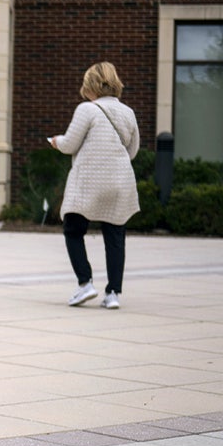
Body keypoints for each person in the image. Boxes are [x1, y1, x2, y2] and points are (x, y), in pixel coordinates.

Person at [49, 62, 140, 310]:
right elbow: (132, 151)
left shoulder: (87, 110)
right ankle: (113, 294)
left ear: (92, 86)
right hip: (120, 182)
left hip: (89, 182)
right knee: (115, 236)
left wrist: (56, 141)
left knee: (73, 229)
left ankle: (85, 283)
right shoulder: (128, 112)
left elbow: (69, 144)